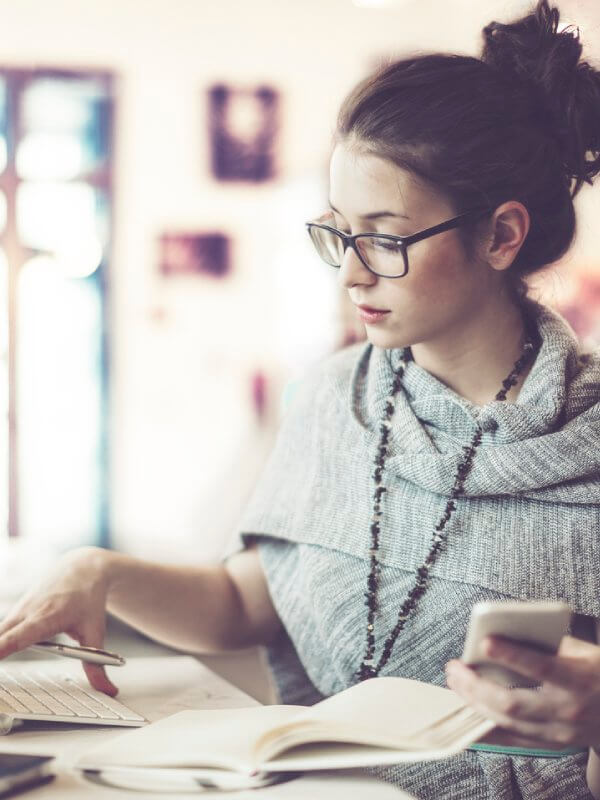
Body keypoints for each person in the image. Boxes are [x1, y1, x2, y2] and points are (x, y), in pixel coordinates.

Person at [1, 1, 599, 797]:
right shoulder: (330, 400)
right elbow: (251, 600)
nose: (350, 272)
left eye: (385, 238)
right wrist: (99, 571)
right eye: (338, 232)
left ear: (500, 237)